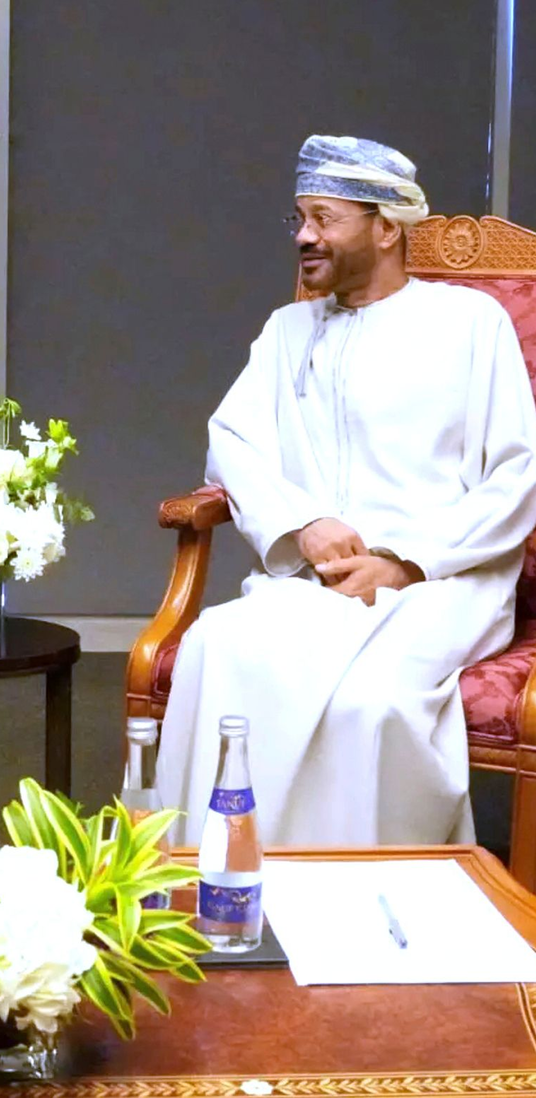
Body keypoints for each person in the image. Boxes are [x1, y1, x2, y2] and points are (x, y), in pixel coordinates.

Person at [156, 134, 536, 846]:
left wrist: (402, 561)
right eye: (300, 217)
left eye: (324, 218)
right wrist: (304, 524)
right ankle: (220, 883)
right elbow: (231, 442)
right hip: (317, 579)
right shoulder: (286, 329)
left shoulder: (469, 324)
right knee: (213, 646)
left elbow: (517, 473)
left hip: (444, 579)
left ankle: (370, 916)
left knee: (371, 704)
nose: (304, 236)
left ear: (387, 227)